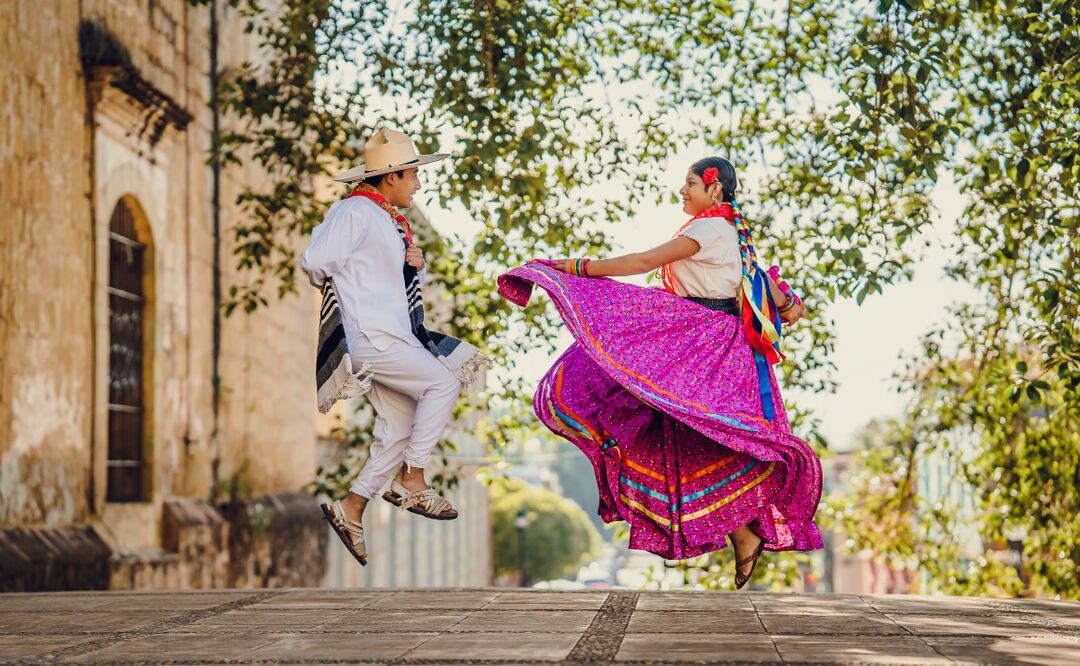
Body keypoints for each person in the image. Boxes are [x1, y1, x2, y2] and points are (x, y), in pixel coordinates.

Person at [498, 157, 822, 589]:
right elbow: (776, 296)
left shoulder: (710, 229)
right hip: (712, 343)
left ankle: (743, 530)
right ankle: (743, 532)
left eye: (690, 183)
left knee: (681, 424)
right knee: (694, 438)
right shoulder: (731, 234)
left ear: (715, 190)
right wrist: (788, 304)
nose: (682, 190)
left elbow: (644, 261)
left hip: (703, 341)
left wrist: (576, 268)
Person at [301, 127, 487, 566]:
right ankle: (413, 478)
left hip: (390, 337)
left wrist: (413, 266)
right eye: (413, 175)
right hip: (373, 338)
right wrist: (348, 285)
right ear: (391, 177)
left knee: (399, 429)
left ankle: (352, 507)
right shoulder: (355, 212)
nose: (418, 184)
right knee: (444, 382)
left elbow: (384, 279)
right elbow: (315, 262)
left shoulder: (385, 220)